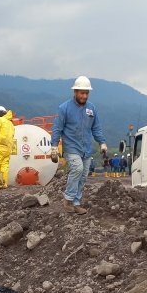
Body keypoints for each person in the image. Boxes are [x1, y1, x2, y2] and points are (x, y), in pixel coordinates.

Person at [50, 76, 108, 214]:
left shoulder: (92, 109)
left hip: (86, 148)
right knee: (77, 168)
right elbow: (57, 128)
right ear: (75, 92)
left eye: (86, 93)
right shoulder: (64, 108)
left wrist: (102, 142)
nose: (84, 96)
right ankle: (68, 199)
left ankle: (76, 203)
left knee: (83, 176)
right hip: (71, 147)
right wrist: (53, 146)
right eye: (82, 93)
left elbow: (96, 128)